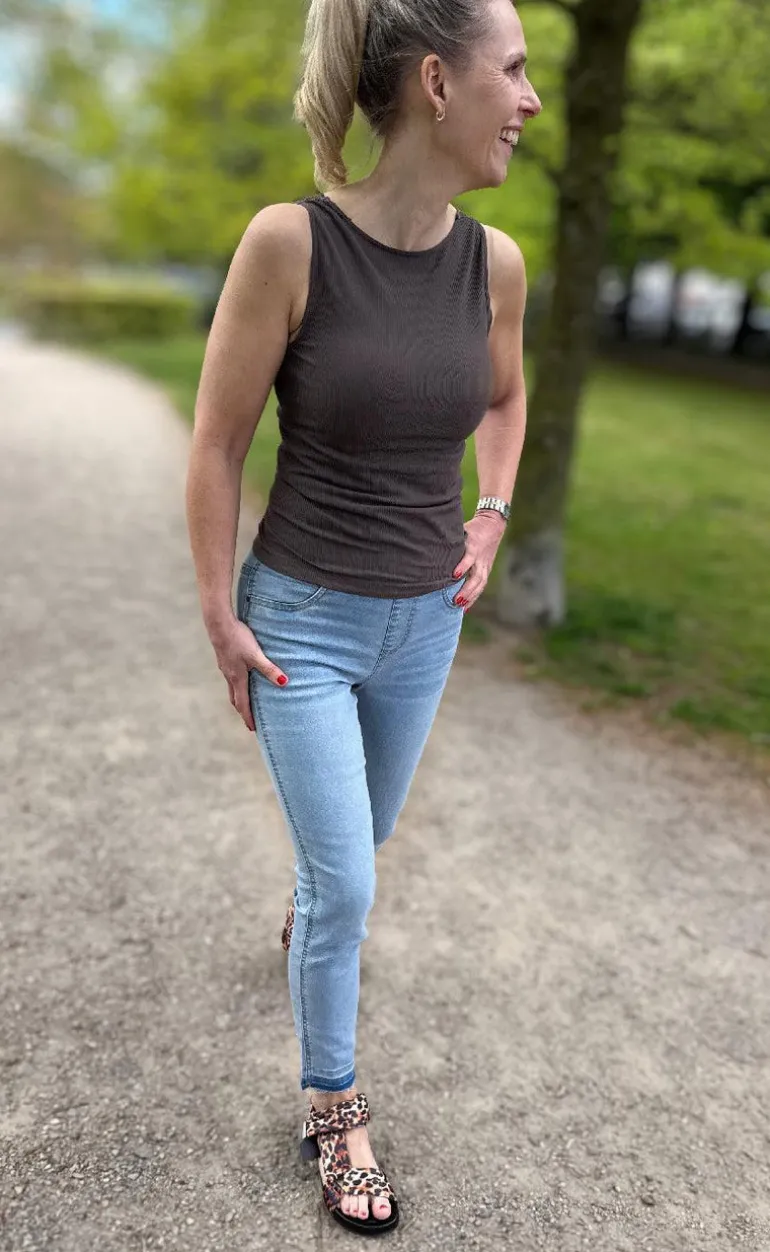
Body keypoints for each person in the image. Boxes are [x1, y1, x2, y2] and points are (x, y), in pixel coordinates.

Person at [186, 0, 540, 1235]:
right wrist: (219, 614)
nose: (529, 101)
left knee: (361, 842)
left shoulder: (494, 264)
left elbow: (504, 398)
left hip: (422, 624)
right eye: (513, 71)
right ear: (437, 84)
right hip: (302, 624)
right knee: (346, 883)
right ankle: (331, 1108)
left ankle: (314, 911)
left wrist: (490, 510)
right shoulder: (289, 244)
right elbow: (217, 442)